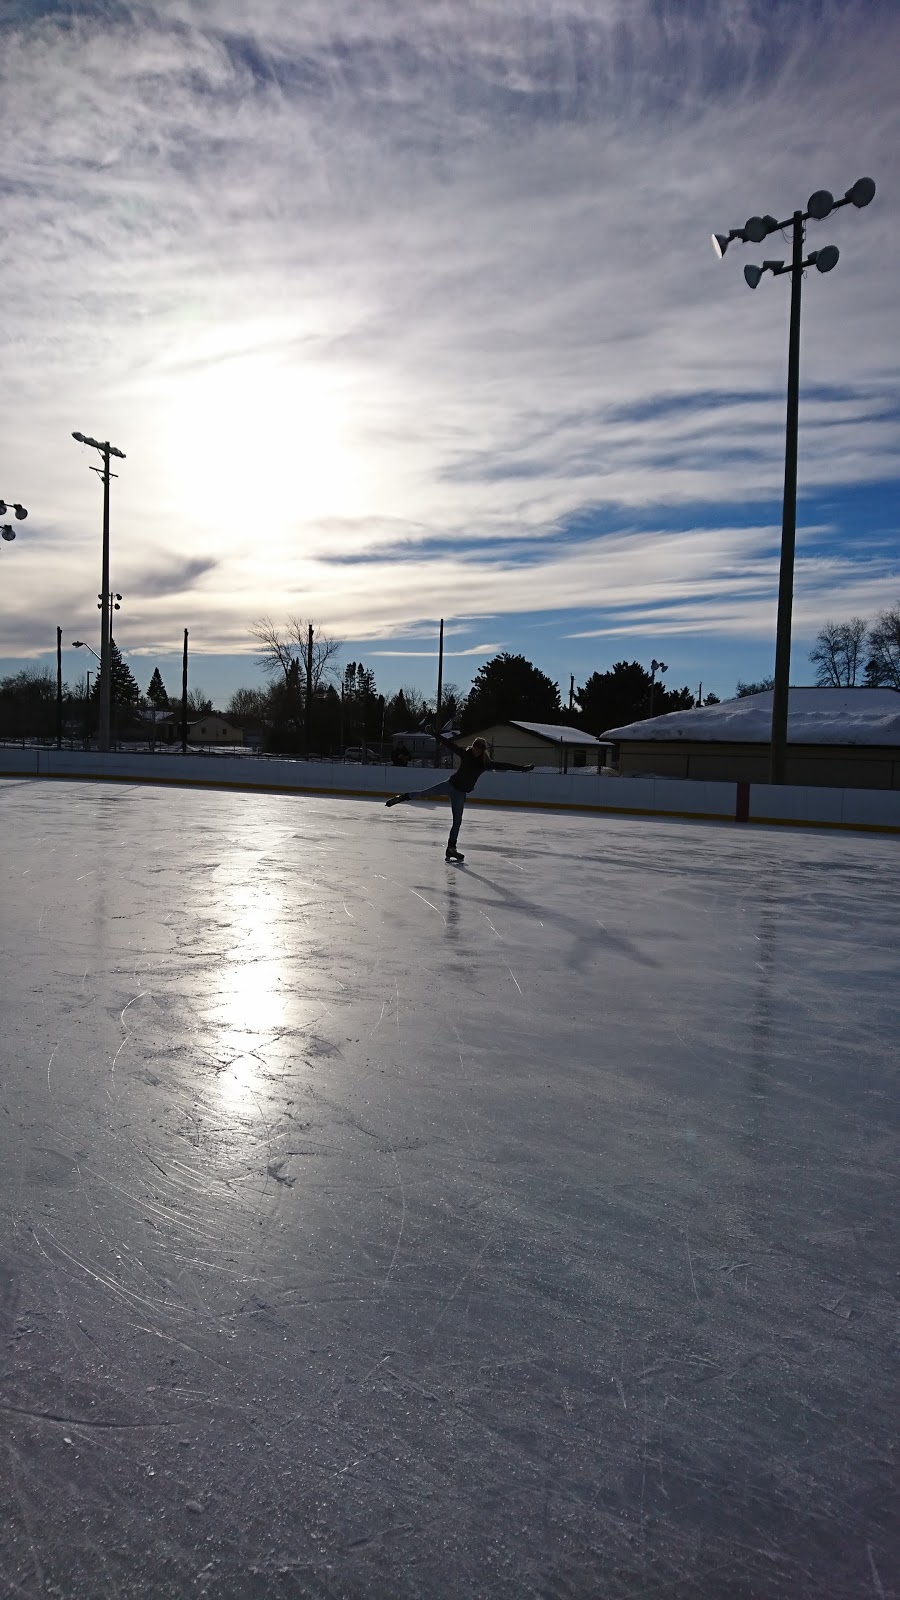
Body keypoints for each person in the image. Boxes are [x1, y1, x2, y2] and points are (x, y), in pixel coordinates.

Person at [385, 734, 533, 861]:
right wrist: (434, 734)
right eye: (475, 747)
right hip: (450, 785)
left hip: (460, 793)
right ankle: (402, 798)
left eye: (479, 748)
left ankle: (451, 848)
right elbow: (449, 744)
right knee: (425, 793)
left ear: (482, 750)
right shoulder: (466, 754)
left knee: (457, 822)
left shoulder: (485, 764)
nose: (475, 750)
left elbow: (505, 765)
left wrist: (523, 769)